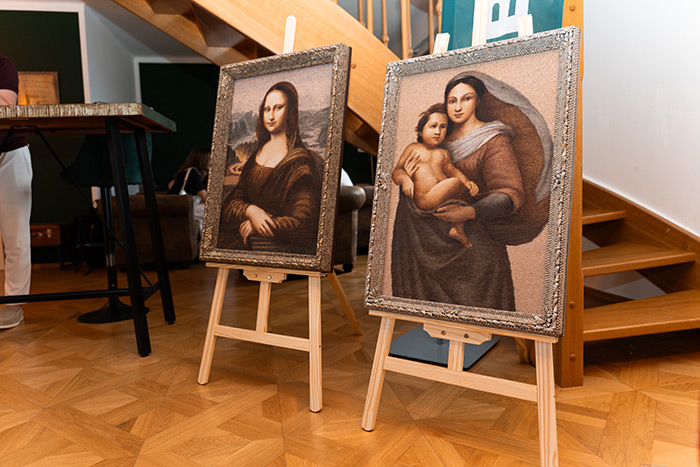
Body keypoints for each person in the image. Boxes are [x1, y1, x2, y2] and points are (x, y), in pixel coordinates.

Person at [391, 74, 529, 311]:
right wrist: (407, 179)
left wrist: (470, 212)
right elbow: (406, 176)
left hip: (471, 246)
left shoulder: (493, 140)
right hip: (423, 242)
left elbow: (510, 194)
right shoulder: (436, 140)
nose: (457, 107)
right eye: (452, 100)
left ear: (479, 101)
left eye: (466, 99)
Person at [217, 81, 321, 254]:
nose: (271, 116)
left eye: (278, 108)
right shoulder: (256, 155)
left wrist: (261, 224)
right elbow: (231, 203)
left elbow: (303, 222)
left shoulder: (299, 162)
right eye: (267, 109)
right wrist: (251, 211)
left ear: (290, 112)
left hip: (280, 251)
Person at [392, 103, 479, 248]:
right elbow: (397, 171)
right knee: (455, 183)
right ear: (421, 131)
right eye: (433, 126)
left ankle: (457, 228)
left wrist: (467, 181)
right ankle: (456, 227)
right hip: (425, 200)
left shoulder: (443, 153)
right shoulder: (414, 148)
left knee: (465, 192)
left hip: (442, 197)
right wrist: (405, 179)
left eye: (443, 127)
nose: (438, 131)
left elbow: (453, 171)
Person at [0, 56, 32, 329]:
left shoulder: (3, 65)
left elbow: (5, 105)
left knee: (16, 234)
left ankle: (13, 305)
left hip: (10, 153)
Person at [168, 147, 210, 229]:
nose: (211, 162)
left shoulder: (187, 171)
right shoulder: (193, 172)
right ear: (202, 161)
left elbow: (170, 185)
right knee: (213, 210)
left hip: (180, 207)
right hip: (181, 208)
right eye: (209, 160)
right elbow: (206, 199)